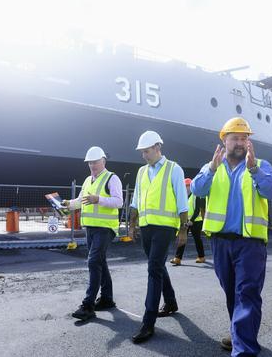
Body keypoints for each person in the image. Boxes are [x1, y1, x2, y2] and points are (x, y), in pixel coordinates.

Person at [191, 117, 272, 356]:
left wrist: (254, 170)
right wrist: (211, 169)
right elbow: (197, 190)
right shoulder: (212, 166)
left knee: (246, 294)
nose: (240, 143)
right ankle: (240, 335)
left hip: (250, 243)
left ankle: (243, 350)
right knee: (232, 293)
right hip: (220, 242)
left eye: (244, 138)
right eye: (235, 138)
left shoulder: (261, 165)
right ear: (224, 141)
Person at [127, 130, 189, 344]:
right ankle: (170, 302)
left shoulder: (174, 169)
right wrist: (132, 223)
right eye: (142, 152)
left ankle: (148, 322)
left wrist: (183, 230)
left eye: (146, 151)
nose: (143, 155)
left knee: (153, 268)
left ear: (157, 148)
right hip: (146, 227)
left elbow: (183, 202)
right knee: (158, 265)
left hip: (165, 228)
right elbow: (136, 199)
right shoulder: (142, 172)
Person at [63, 146, 123, 322]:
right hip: (90, 228)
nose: (92, 165)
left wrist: (99, 199)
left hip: (105, 228)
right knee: (100, 262)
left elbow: (119, 202)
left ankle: (88, 305)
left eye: (95, 162)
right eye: (90, 162)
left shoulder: (112, 178)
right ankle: (106, 299)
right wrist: (67, 204)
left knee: (94, 261)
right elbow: (80, 202)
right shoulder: (88, 180)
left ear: (103, 161)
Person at [170, 178, 206, 265]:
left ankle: (201, 257)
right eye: (185, 186)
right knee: (182, 239)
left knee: (197, 239)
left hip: (196, 221)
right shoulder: (182, 196)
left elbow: (198, 209)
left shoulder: (196, 195)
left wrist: (192, 220)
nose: (186, 188)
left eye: (187, 186)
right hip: (186, 221)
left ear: (191, 186)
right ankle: (177, 258)